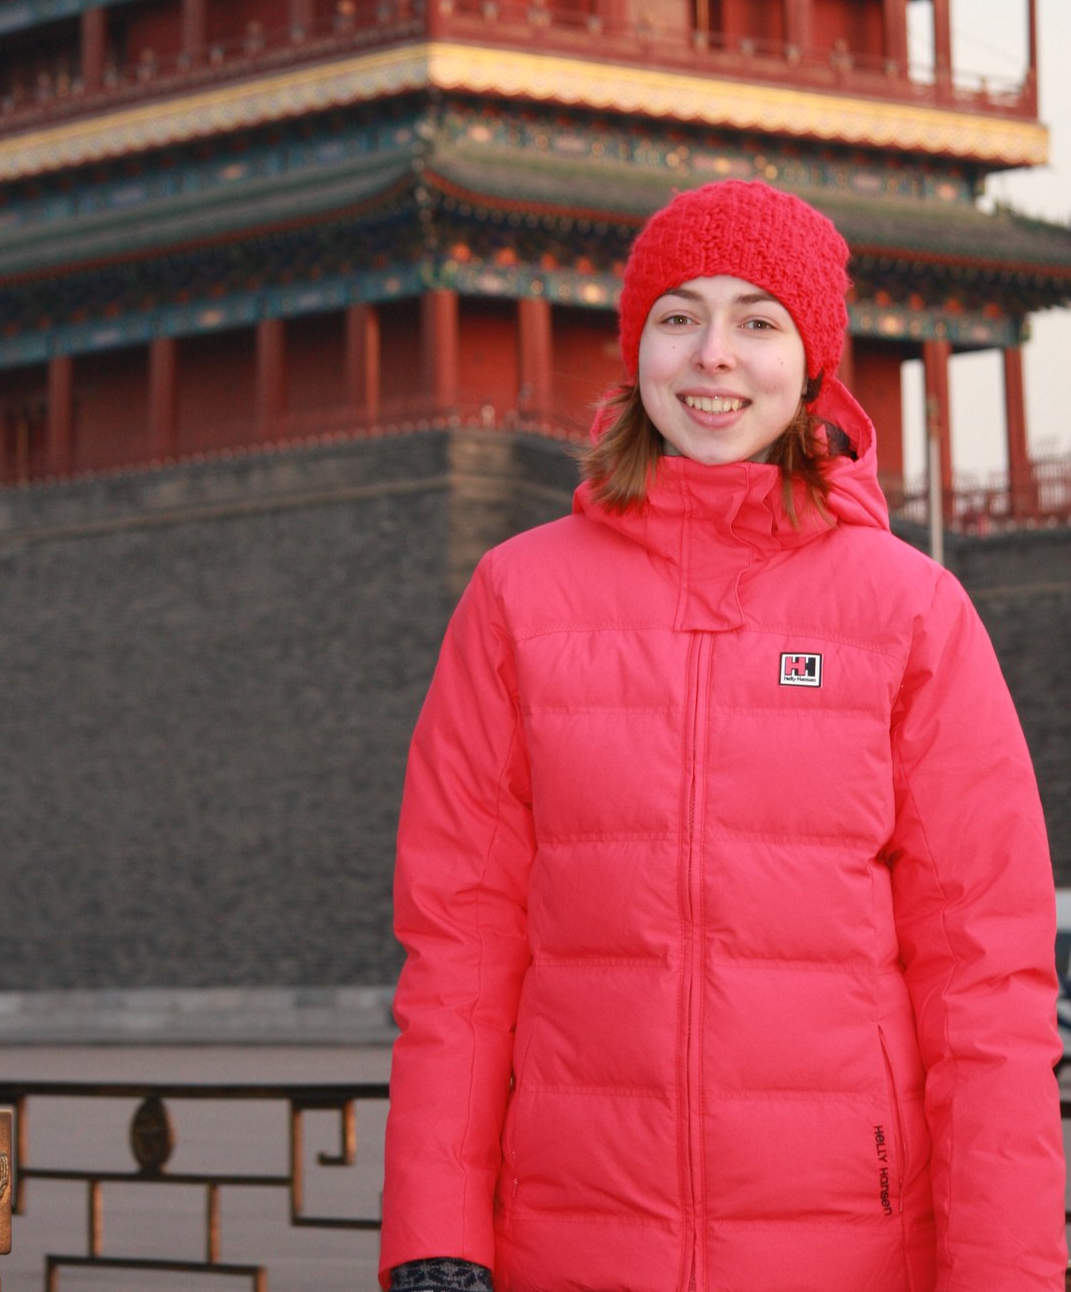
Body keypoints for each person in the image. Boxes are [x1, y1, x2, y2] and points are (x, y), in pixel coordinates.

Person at [379, 180, 1066, 1292]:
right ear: (635, 349)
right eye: (678, 316)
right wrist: (435, 1239)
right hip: (573, 1246)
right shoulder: (516, 599)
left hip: (850, 1250)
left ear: (811, 363)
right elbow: (459, 949)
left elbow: (986, 977)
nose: (713, 355)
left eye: (758, 321)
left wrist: (1006, 1273)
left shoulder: (911, 612)